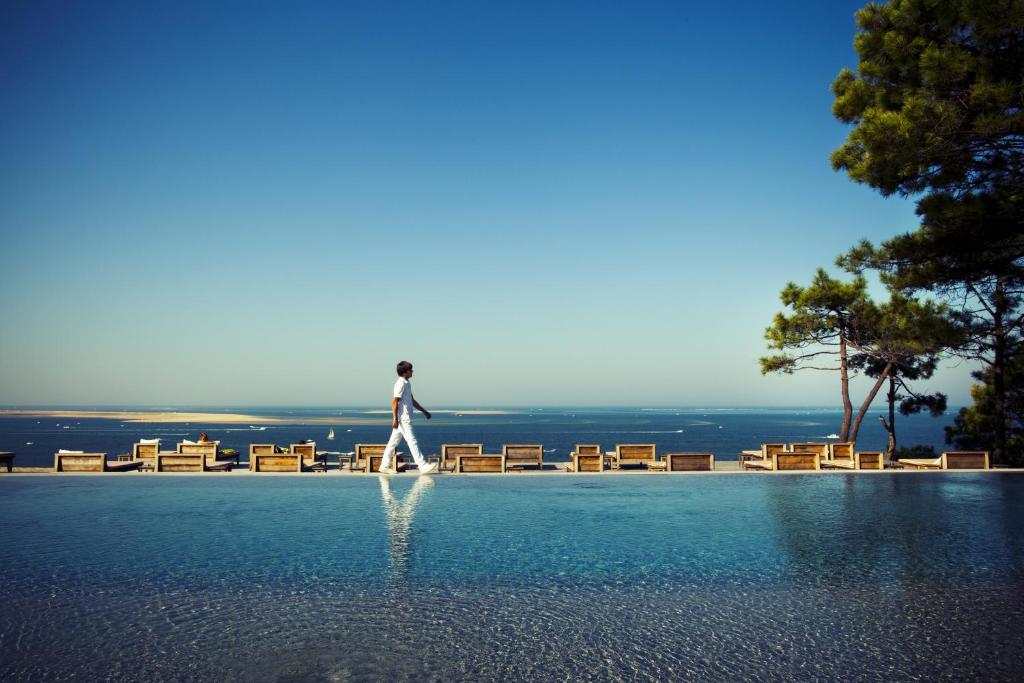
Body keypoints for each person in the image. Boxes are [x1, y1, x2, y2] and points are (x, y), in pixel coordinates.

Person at [379, 361, 438, 475]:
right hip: (403, 419)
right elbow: (394, 402)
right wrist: (395, 419)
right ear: (405, 372)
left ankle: (384, 465)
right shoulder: (400, 383)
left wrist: (424, 411)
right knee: (412, 441)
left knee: (392, 443)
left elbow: (412, 401)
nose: (412, 371)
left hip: (404, 419)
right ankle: (422, 465)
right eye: (410, 370)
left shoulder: (407, 383)